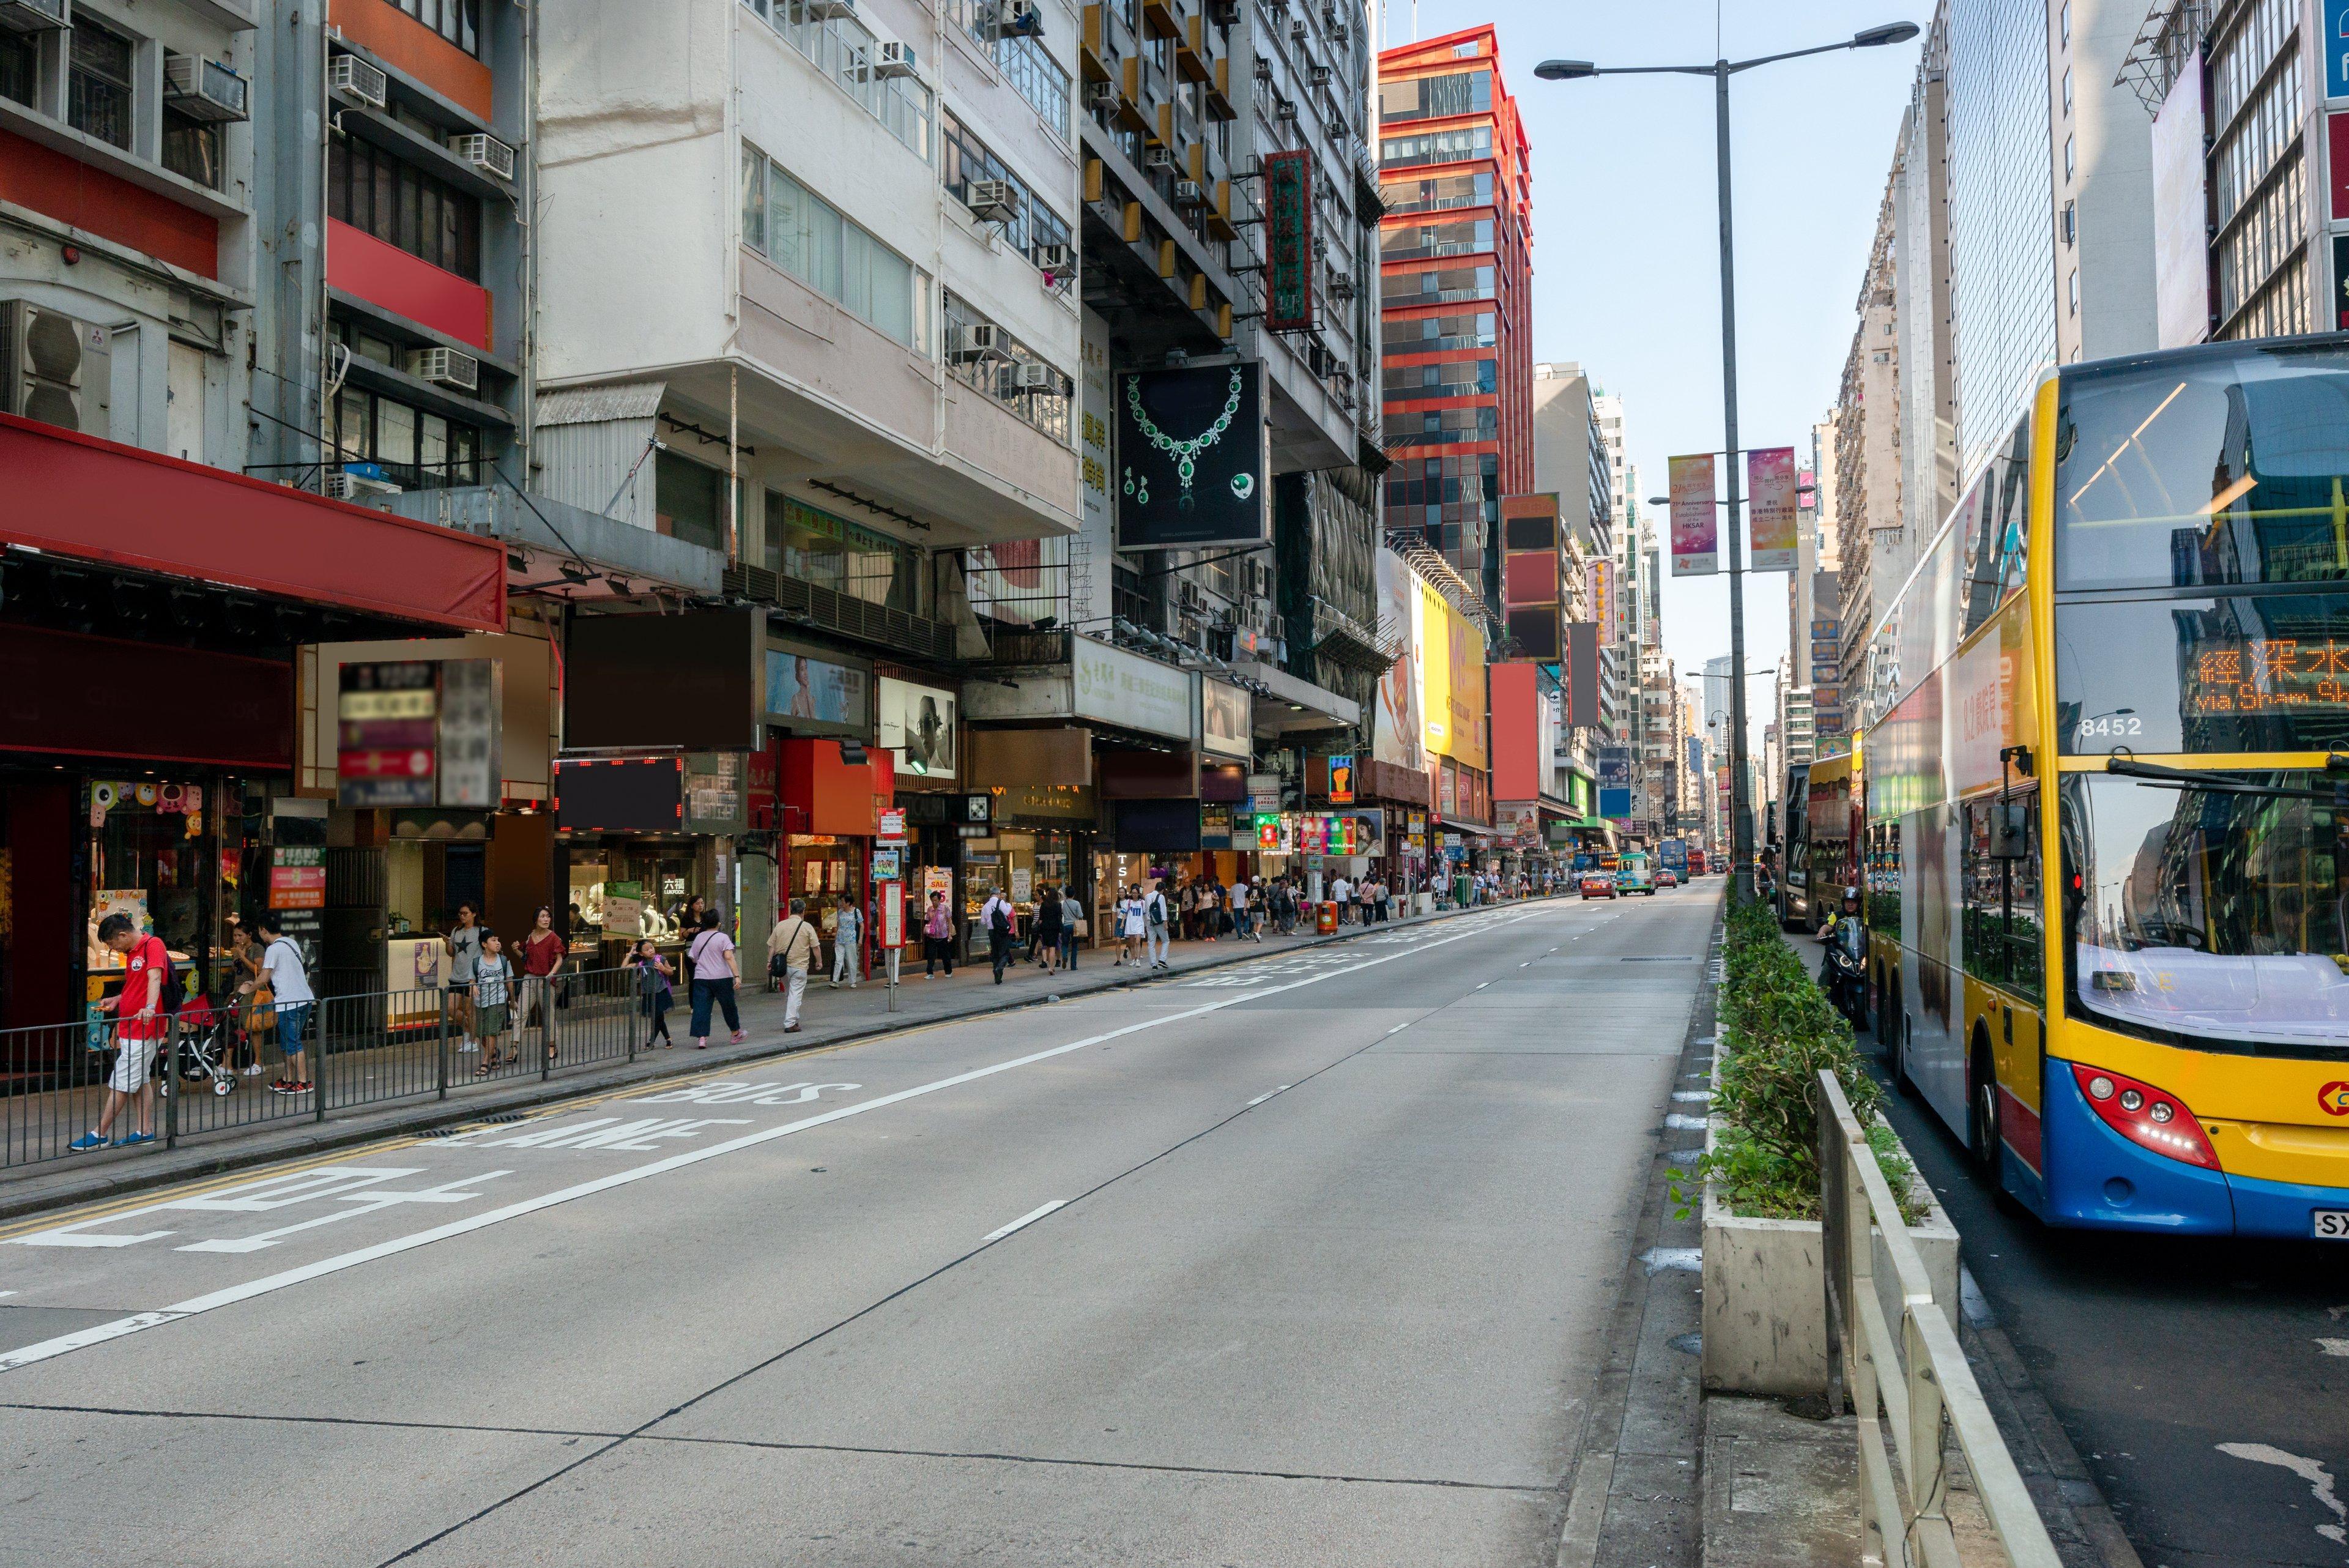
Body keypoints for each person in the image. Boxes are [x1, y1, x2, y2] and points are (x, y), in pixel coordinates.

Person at [72, 913, 171, 1149]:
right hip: (131, 1026)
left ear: (123, 935)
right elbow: (136, 984)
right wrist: (118, 999)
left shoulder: (153, 945)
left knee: (122, 1081)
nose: (114, 949)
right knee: (140, 1080)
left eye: (112, 944)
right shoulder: (133, 953)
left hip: (144, 1028)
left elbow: (155, 977)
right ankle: (145, 1131)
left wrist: (149, 1008)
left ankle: (100, 1135)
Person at [249, 913, 315, 1097]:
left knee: (292, 1044)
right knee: (288, 1042)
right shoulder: (290, 943)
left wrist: (247, 989)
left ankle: (303, 1081)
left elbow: (264, 977)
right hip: (304, 999)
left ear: (263, 930)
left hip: (289, 1002)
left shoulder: (272, 949)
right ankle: (287, 1079)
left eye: (259, 931)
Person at [688, 907, 746, 1047]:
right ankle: (735, 1034)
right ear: (718, 923)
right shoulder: (723, 937)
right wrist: (737, 976)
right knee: (728, 1006)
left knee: (701, 1007)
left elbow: (693, 958)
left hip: (701, 978)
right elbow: (729, 957)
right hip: (722, 978)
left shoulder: (699, 937)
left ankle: (702, 1038)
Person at [518, 905, 565, 1063]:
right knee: (521, 1012)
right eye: (542, 917)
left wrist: (551, 974)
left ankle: (552, 1045)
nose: (546, 919)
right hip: (529, 977)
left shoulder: (554, 938)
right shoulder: (530, 936)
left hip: (545, 979)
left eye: (548, 916)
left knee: (548, 1013)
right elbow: (527, 958)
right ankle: (514, 1046)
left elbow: (559, 959)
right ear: (536, 920)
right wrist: (516, 951)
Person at [769, 899, 820, 1030]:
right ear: (803, 911)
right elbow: (816, 947)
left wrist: (769, 961)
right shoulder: (807, 927)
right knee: (795, 995)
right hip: (799, 967)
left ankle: (795, 1019)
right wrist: (819, 961)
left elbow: (772, 946)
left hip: (783, 967)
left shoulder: (780, 925)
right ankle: (790, 1023)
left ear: (791, 910)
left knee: (790, 994)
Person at [473, 932, 514, 1074]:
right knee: (481, 1034)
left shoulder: (503, 961)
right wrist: (472, 985)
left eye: (498, 940)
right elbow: (472, 979)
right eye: (494, 940)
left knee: (491, 1032)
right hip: (481, 1002)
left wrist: (513, 1000)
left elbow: (509, 982)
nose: (498, 943)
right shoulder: (476, 962)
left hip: (498, 1001)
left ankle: (485, 1062)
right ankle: (494, 1053)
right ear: (484, 944)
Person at [445, 902, 482, 1057]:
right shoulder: (456, 930)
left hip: (471, 977)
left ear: (474, 914)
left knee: (469, 1010)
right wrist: (448, 943)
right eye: (460, 913)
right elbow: (451, 953)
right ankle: (468, 1028)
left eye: (465, 913)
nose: (462, 916)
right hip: (456, 975)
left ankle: (471, 1041)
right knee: (450, 1007)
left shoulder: (481, 931)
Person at [633, 938, 675, 1049]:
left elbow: (671, 972)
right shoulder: (641, 963)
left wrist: (663, 969)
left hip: (661, 992)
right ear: (641, 953)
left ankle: (652, 1042)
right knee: (658, 1018)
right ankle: (668, 1039)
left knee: (658, 1017)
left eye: (651, 947)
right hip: (648, 994)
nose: (651, 950)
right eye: (647, 950)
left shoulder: (660, 959)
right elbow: (623, 967)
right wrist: (630, 955)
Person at [984, 886, 1017, 983]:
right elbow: (1007, 912)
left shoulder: (986, 906)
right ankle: (999, 968)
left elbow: (982, 921)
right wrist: (1009, 905)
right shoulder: (1001, 902)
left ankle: (997, 978)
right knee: (1005, 952)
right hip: (1001, 932)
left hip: (991, 932)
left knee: (995, 953)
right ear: (998, 894)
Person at [830, 897, 863, 989]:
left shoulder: (856, 911)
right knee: (838, 960)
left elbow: (862, 925)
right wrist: (836, 939)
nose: (841, 903)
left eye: (843, 901)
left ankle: (853, 981)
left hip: (851, 940)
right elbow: (839, 926)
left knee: (851, 961)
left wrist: (860, 939)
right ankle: (835, 981)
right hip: (840, 940)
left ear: (848, 903)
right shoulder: (840, 912)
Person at [1031, 883, 1064, 975]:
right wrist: (1061, 929)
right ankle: (1051, 967)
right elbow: (1059, 918)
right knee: (1053, 948)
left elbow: (1040, 919)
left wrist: (1040, 929)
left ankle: (1050, 965)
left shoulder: (1044, 905)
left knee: (1048, 948)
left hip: (1045, 928)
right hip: (1054, 928)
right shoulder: (1058, 905)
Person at [922, 890, 955, 977]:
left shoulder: (945, 909)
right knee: (931, 955)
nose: (934, 902)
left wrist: (950, 934)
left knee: (945, 954)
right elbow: (928, 920)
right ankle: (930, 973)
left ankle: (948, 972)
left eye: (936, 900)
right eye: (932, 900)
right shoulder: (930, 909)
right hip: (932, 935)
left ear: (940, 900)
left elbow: (949, 921)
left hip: (943, 935)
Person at [1144, 879, 1171, 970]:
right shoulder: (1161, 897)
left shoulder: (1147, 896)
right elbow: (1163, 910)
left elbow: (1145, 910)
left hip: (1149, 921)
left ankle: (1154, 964)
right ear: (1163, 890)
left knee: (1151, 943)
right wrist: (1165, 922)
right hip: (1159, 922)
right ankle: (1162, 960)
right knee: (1166, 941)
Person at [1059, 885, 1084, 971]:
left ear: (1066, 894)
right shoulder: (1077, 903)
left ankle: (1065, 956)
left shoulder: (1064, 903)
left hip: (1066, 925)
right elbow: (1080, 915)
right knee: (1074, 946)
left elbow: (1062, 913)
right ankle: (1073, 966)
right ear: (1074, 894)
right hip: (1075, 926)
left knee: (1065, 944)